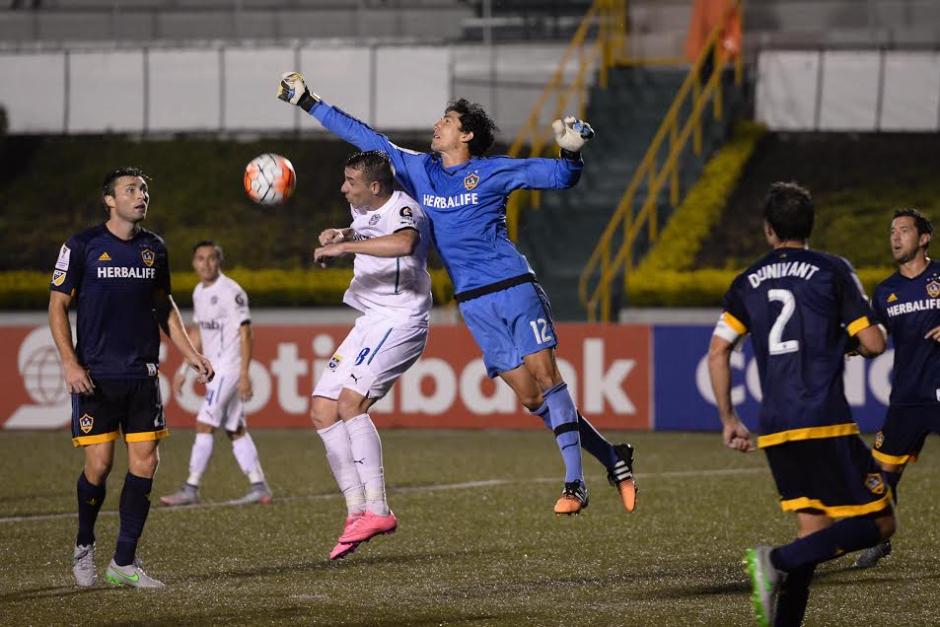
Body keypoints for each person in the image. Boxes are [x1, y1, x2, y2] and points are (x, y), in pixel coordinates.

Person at [277, 71, 637, 516]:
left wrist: (571, 151)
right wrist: (310, 102)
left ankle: (574, 482)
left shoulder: (492, 171)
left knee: (547, 375)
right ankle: (612, 455)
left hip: (512, 285)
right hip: (473, 302)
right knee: (530, 397)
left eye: (446, 121)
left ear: (465, 134)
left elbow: (562, 176)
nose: (437, 125)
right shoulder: (420, 171)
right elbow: (367, 137)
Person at [707, 182, 895, 626]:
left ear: (769, 230)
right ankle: (774, 560)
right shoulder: (832, 269)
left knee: (814, 534)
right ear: (810, 225)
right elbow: (872, 343)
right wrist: (851, 344)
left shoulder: (745, 281)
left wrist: (729, 419)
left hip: (775, 426)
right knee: (880, 524)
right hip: (824, 420)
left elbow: (718, 352)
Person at [49, 167, 214, 589]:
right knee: (99, 466)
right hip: (96, 376)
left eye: (142, 189)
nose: (140, 196)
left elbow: (164, 306)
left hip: (142, 374)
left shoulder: (153, 249)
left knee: (146, 463)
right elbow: (56, 306)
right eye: (130, 190)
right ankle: (84, 544)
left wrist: (191, 353)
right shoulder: (82, 245)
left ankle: (123, 561)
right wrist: (70, 363)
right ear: (110, 200)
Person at [310, 150, 431, 560]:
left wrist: (344, 247)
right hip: (370, 320)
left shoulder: (405, 208)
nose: (344, 188)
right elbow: (366, 228)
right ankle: (356, 512)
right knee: (323, 409)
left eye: (351, 183)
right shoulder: (361, 207)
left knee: (351, 404)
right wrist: (342, 233)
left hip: (400, 321)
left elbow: (403, 241)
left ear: (375, 187)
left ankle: (378, 508)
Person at [854, 208, 940, 568]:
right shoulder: (886, 291)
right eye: (892, 231)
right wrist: (846, 347)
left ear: (923, 239)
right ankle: (879, 537)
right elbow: (873, 343)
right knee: (879, 477)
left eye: (904, 230)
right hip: (906, 398)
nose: (895, 237)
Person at [160, 241, 273, 508]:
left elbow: (246, 332)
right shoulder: (200, 292)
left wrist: (244, 374)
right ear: (194, 263)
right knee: (235, 428)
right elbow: (198, 334)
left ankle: (191, 488)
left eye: (211, 258)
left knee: (204, 423)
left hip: (229, 369)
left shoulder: (231, 291)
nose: (206, 264)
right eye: (200, 259)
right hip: (216, 370)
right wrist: (182, 368)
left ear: (219, 261)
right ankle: (259, 486)